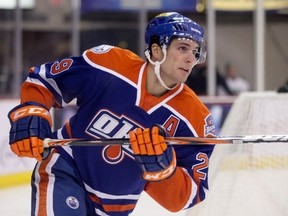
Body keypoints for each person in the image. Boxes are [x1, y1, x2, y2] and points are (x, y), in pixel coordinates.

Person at [7, 12, 216, 216]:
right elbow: (45, 80)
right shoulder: (109, 64)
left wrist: (162, 168)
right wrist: (31, 114)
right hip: (66, 168)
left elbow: (187, 196)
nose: (191, 58)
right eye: (183, 48)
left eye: (196, 51)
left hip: (117, 205)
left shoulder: (195, 118)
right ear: (156, 51)